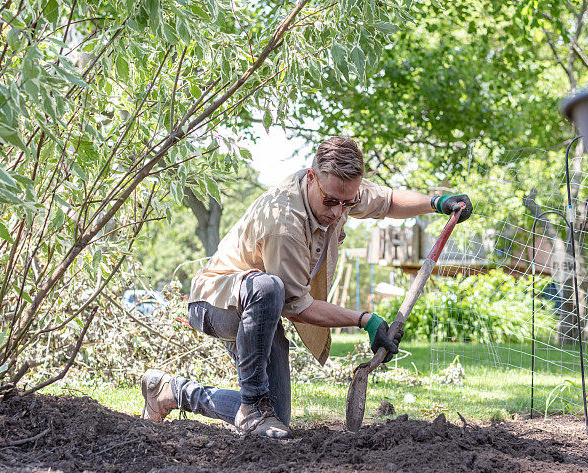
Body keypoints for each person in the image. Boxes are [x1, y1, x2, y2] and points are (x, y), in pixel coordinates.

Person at [140, 136, 473, 438]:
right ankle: (253, 405)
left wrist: (438, 202)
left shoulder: (339, 193)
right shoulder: (285, 223)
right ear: (312, 177)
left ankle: (170, 392)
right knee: (268, 288)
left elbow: (387, 201)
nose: (340, 211)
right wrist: (365, 320)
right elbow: (297, 305)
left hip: (261, 313)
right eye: (331, 202)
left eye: (348, 202)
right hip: (216, 304)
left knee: (278, 422)